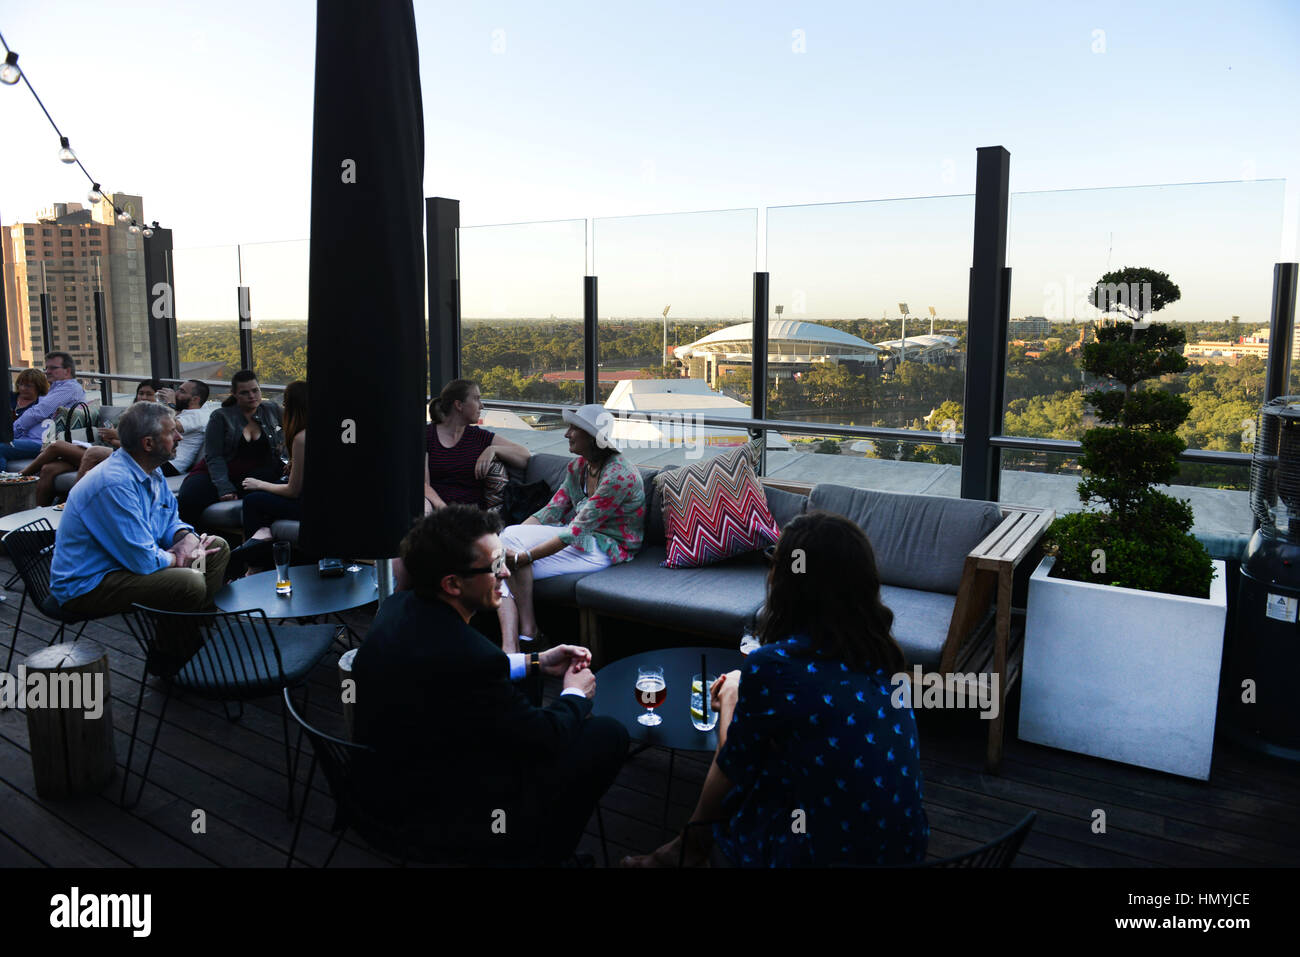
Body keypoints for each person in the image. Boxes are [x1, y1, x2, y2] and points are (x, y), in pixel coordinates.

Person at [621, 511, 930, 868]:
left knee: (744, 779)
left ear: (785, 583)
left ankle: (684, 851)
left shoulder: (775, 666)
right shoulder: (882, 657)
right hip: (903, 851)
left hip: (816, 855)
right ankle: (680, 851)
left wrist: (733, 699)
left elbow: (734, 764)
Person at [351, 506, 628, 863]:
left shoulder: (397, 607)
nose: (507, 572)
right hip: (432, 819)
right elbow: (546, 737)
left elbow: (450, 673)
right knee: (606, 735)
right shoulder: (469, 656)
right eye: (496, 566)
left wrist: (537, 662)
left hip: (382, 787)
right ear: (452, 584)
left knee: (527, 689)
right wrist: (576, 693)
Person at [49, 402, 229, 619]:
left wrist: (187, 538)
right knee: (189, 581)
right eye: (172, 432)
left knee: (216, 548)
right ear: (148, 443)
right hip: (88, 584)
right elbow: (142, 560)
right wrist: (179, 559)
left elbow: (169, 520)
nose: (179, 438)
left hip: (126, 566)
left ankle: (191, 627)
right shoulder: (114, 485)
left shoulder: (151, 471)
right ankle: (176, 646)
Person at [496, 403, 645, 653]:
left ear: (592, 437)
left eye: (573, 429)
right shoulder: (578, 467)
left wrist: (525, 554)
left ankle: (522, 640)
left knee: (507, 560)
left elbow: (574, 532)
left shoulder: (619, 475)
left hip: (606, 547)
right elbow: (552, 510)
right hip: (579, 538)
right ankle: (520, 641)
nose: (566, 434)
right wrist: (514, 541)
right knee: (503, 555)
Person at [20, 381, 188, 507]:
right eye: (140, 393)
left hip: (115, 455)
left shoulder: (160, 421)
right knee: (48, 469)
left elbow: (140, 448)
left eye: (148, 394)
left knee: (57, 446)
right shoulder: (131, 415)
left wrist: (116, 436)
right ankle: (39, 515)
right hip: (110, 450)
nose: (143, 398)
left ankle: (20, 477)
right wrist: (114, 437)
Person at [177, 370, 284, 526]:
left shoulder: (271, 409)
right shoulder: (220, 416)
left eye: (255, 390)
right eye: (244, 392)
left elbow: (297, 425)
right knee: (190, 496)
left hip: (255, 476)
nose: (252, 396)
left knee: (266, 491)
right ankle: (189, 542)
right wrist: (224, 488)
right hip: (217, 473)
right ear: (234, 394)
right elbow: (214, 456)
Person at [230, 380, 307, 571]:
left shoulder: (301, 438)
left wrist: (259, 484)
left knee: (253, 500)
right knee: (267, 494)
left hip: (309, 507)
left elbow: (293, 491)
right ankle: (263, 537)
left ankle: (255, 567)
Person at [423, 378, 529, 511]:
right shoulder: (427, 436)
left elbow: (524, 456)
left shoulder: (480, 437)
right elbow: (424, 485)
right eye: (476, 399)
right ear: (459, 405)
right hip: (438, 513)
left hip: (475, 518)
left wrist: (493, 449)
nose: (482, 406)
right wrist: (443, 508)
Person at [0, 351, 86, 471]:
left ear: (67, 371)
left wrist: (10, 432)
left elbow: (38, 412)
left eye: (53, 368)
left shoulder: (70, 388)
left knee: (1, 447)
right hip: (29, 439)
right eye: (46, 368)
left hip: (42, 443)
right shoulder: (54, 389)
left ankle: (5, 486)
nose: (47, 371)